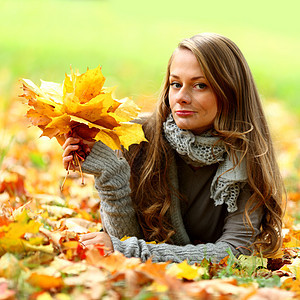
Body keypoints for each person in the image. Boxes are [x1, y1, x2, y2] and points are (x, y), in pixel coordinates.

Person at [62, 32, 285, 264]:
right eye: (175, 84)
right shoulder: (138, 139)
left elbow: (235, 253)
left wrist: (129, 250)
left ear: (230, 92)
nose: (181, 97)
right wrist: (110, 175)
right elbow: (125, 240)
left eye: (200, 85)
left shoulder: (246, 157)